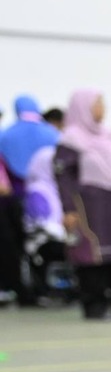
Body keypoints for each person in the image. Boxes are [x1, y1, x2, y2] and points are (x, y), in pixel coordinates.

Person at [52, 89, 111, 319]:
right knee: (91, 252)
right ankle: (95, 304)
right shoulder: (71, 138)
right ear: (82, 107)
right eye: (97, 104)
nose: (102, 109)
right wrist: (69, 208)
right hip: (87, 203)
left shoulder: (108, 135)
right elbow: (63, 176)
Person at [1, 96, 60, 306]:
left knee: (15, 249)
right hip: (45, 196)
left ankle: (20, 290)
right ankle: (34, 290)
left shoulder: (5, 134)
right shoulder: (52, 133)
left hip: (12, 199)